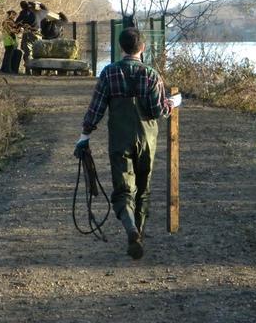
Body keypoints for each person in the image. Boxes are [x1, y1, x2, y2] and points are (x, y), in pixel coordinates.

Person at [74, 27, 182, 259]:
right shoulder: (152, 75)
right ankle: (138, 234)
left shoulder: (109, 73)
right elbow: (157, 111)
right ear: (143, 47)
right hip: (146, 139)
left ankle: (130, 227)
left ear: (121, 47)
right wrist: (172, 103)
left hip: (119, 139)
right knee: (143, 189)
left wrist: (84, 137)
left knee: (123, 190)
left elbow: (96, 109)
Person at [15, 1, 41, 69]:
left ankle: (29, 69)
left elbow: (17, 22)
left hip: (29, 34)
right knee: (37, 52)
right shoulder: (38, 12)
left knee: (27, 52)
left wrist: (17, 28)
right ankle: (36, 69)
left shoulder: (25, 12)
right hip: (39, 35)